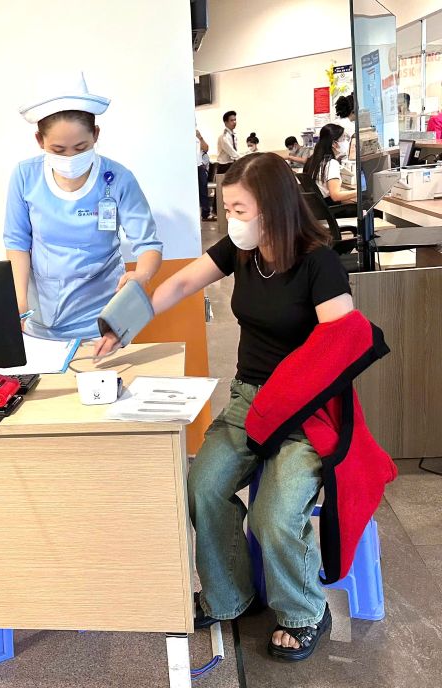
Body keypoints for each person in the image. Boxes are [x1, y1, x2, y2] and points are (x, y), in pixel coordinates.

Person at [95, 152, 356, 661]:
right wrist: (124, 321)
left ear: (273, 209)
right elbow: (181, 283)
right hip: (248, 400)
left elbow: (340, 347)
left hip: (305, 412)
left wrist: (290, 404)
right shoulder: (243, 250)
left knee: (273, 515)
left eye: (240, 210)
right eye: (228, 209)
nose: (231, 220)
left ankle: (305, 612)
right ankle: (231, 595)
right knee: (203, 486)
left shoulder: (318, 263)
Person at [4, 75, 163, 340]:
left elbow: (148, 244)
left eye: (80, 148)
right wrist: (19, 303)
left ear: (96, 135)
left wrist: (142, 275)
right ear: (40, 141)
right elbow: (17, 242)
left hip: (104, 318)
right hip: (42, 314)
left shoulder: (118, 178)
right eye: (58, 149)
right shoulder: (25, 176)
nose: (70, 157)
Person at [303, 123, 357, 209]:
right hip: (330, 209)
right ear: (334, 144)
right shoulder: (331, 163)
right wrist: (359, 192)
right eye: (343, 138)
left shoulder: (312, 160)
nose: (347, 142)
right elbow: (335, 196)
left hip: (319, 209)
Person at [197, 129, 215, 221]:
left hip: (199, 166)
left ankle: (205, 213)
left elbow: (206, 148)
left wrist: (200, 137)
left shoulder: (197, 138)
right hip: (188, 167)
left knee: (203, 190)